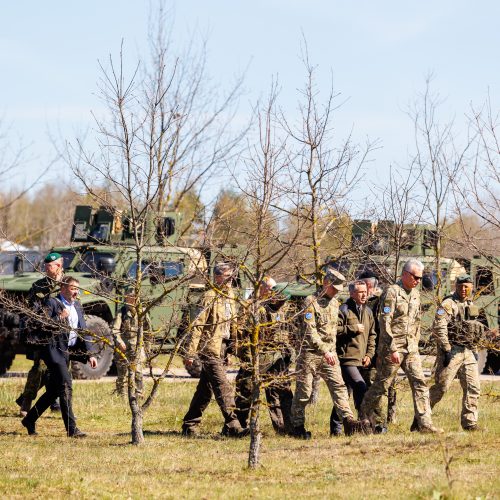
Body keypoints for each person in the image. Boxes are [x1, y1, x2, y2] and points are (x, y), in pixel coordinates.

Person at [360, 259, 442, 434]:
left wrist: (415, 345)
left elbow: (417, 322)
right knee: (382, 385)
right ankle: (363, 418)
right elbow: (384, 322)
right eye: (415, 277)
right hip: (393, 348)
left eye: (420, 278)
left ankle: (425, 424)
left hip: (411, 348)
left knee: (420, 383)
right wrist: (393, 349)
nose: (418, 281)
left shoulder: (415, 294)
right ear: (405, 274)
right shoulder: (392, 292)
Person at [290, 268, 369, 439]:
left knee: (339, 388)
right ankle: (297, 427)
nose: (336, 292)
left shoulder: (335, 303)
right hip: (310, 355)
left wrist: (331, 351)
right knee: (304, 392)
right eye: (334, 288)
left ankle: (349, 422)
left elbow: (334, 331)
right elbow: (310, 332)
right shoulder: (310, 302)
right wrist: (325, 351)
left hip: (330, 356)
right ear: (326, 283)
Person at [21, 276, 97, 437]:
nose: (76, 292)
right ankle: (72, 429)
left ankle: (30, 419)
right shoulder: (52, 303)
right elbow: (42, 325)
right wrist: (59, 317)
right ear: (62, 288)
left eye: (77, 289)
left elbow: (83, 330)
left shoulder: (77, 305)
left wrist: (90, 354)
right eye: (72, 288)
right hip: (53, 352)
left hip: (67, 352)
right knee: (66, 386)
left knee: (54, 391)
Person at [181, 263, 248, 438]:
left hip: (223, 348)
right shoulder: (209, 297)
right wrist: (190, 353)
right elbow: (198, 326)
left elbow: (233, 326)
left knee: (206, 389)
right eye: (227, 276)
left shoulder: (231, 297)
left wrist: (235, 348)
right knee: (222, 386)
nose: (231, 280)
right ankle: (234, 426)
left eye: (232, 276)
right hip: (209, 348)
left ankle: (189, 425)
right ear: (217, 277)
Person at [235, 277, 294, 435]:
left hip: (278, 359)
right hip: (259, 358)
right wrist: (248, 359)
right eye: (279, 299)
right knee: (245, 391)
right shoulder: (259, 310)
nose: (281, 303)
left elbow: (288, 334)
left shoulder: (284, 310)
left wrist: (288, 354)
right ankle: (237, 427)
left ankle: (285, 427)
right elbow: (244, 335)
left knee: (282, 392)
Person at [428, 274, 485, 431]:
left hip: (467, 351)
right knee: (441, 387)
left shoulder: (470, 304)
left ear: (471, 287)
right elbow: (439, 326)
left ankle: (470, 423)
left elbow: (472, 329)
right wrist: (445, 348)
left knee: (473, 387)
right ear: (456, 287)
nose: (464, 289)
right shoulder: (448, 304)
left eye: (467, 286)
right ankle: (422, 417)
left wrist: (474, 349)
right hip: (452, 350)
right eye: (461, 286)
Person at [16, 252, 64, 416]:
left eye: (50, 266)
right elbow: (30, 308)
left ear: (59, 266)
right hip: (44, 334)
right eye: (46, 266)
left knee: (59, 371)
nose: (46, 268)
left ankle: (56, 403)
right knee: (39, 368)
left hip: (63, 335)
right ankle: (26, 402)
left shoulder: (68, 283)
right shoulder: (38, 286)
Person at [330, 280, 376, 435]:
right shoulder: (343, 309)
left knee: (345, 394)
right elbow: (333, 330)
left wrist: (369, 354)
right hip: (346, 359)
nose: (364, 294)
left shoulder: (368, 311)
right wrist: (352, 329)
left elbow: (372, 335)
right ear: (352, 293)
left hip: (362, 360)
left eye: (365, 291)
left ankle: (337, 429)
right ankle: (365, 424)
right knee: (360, 387)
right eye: (360, 292)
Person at [358, 270, 398, 427]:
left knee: (377, 387)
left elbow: (382, 328)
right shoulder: (362, 301)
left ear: (368, 285)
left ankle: (379, 424)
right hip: (365, 351)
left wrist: (380, 352)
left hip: (377, 352)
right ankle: (368, 420)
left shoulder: (380, 301)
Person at [113, 290, 151, 398]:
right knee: (122, 372)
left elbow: (148, 332)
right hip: (123, 347)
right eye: (129, 297)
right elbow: (115, 329)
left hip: (137, 346)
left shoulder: (142, 312)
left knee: (138, 371)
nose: (131, 300)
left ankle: (139, 393)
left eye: (134, 297)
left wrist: (147, 348)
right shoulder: (122, 312)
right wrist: (119, 342)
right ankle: (122, 395)